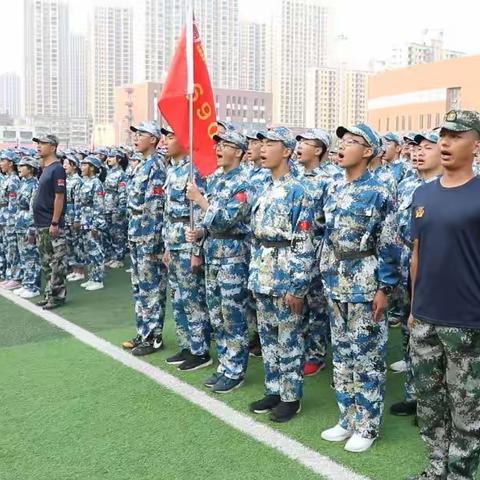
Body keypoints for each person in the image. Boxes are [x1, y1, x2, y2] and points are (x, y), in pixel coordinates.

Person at [407, 110, 480, 480]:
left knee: (467, 409)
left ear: (476, 145)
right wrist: (413, 306)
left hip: (467, 321)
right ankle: (436, 469)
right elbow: (417, 253)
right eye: (443, 136)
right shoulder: (423, 193)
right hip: (425, 318)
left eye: (457, 136)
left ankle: (460, 475)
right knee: (430, 404)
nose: (446, 143)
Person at [320, 123, 399, 452]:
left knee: (367, 356)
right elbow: (327, 235)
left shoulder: (381, 189)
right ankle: (347, 416)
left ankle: (367, 424)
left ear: (367, 152)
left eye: (351, 142)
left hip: (366, 280)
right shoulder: (334, 187)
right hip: (336, 280)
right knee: (342, 354)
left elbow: (390, 243)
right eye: (342, 141)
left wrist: (385, 288)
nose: (342, 146)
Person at [248, 126, 315, 423]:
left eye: (270, 144)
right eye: (261, 144)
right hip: (263, 271)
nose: (263, 148)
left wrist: (298, 286)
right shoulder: (265, 186)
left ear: (286, 151)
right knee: (267, 336)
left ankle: (291, 397)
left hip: (286, 271)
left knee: (288, 338)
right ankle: (274, 389)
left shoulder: (299, 191)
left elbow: (304, 242)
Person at [186, 130, 251, 393]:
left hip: (233, 257)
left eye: (226, 145)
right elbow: (212, 223)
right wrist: (200, 233)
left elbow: (226, 219)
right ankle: (225, 364)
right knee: (217, 315)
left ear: (239, 152)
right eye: (218, 145)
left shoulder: (245, 182)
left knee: (233, 315)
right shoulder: (215, 179)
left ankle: (236, 370)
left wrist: (200, 200)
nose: (219, 149)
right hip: (214, 254)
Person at [389, 131, 443, 418]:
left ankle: (431, 399)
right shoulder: (410, 185)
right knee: (412, 332)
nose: (419, 153)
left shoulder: (447, 187)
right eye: (417, 148)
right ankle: (414, 393)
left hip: (435, 271)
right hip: (407, 267)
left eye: (428, 148)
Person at [161, 125, 211, 371]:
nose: (166, 141)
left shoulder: (194, 169)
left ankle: (200, 350)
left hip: (188, 241)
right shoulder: (173, 170)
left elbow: (200, 214)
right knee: (178, 297)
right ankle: (186, 345)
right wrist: (167, 246)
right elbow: (167, 212)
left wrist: (196, 250)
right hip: (174, 239)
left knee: (192, 299)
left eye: (172, 136)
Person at [121, 122, 168, 356]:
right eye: (135, 134)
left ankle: (153, 336)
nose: (136, 138)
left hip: (148, 234)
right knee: (139, 286)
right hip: (137, 231)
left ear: (154, 139)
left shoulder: (156, 166)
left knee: (151, 287)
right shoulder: (141, 165)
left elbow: (154, 206)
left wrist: (152, 240)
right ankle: (143, 331)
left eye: (142, 134)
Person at [295, 128, 334, 377]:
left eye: (306, 143)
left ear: (318, 150)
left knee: (317, 305)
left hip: (318, 250)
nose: (299, 147)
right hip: (296, 250)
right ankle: (301, 349)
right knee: (299, 304)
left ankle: (316, 354)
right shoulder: (295, 177)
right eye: (299, 143)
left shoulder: (328, 179)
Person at [32, 134, 67, 310]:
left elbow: (59, 197)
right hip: (41, 223)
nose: (39, 146)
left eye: (43, 143)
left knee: (57, 262)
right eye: (38, 143)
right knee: (46, 261)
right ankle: (49, 294)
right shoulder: (45, 168)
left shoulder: (57, 169)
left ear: (53, 147)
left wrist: (55, 222)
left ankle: (58, 296)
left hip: (51, 222)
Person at [75, 155, 106, 291]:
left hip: (92, 221)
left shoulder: (96, 183)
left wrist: (96, 225)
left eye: (84, 165)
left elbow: (99, 206)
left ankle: (98, 279)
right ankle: (92, 277)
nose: (81, 168)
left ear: (92, 168)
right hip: (84, 220)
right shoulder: (84, 182)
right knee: (88, 250)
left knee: (96, 250)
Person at [13, 156, 41, 298]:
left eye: (23, 166)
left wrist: (31, 228)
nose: (19, 168)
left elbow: (33, 209)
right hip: (19, 221)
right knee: (23, 254)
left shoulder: (35, 185)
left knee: (31, 255)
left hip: (27, 222)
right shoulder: (23, 183)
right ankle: (26, 283)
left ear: (30, 168)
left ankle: (33, 286)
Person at [103, 148, 128, 269]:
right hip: (108, 206)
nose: (109, 159)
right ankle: (112, 256)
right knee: (110, 232)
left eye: (112, 157)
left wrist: (121, 208)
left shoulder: (121, 174)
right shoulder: (109, 172)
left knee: (118, 233)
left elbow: (122, 192)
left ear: (118, 159)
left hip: (116, 207)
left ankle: (119, 258)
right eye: (108, 157)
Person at [0, 150, 21, 290]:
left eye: (3, 160)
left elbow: (13, 205)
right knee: (7, 247)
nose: (1, 163)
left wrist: (10, 221)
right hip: (3, 215)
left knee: (12, 248)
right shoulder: (6, 179)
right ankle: (9, 275)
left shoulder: (13, 180)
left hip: (10, 218)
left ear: (11, 163)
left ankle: (16, 277)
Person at [64, 154, 85, 282]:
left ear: (74, 166)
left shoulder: (78, 181)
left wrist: (77, 218)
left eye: (67, 163)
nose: (64, 166)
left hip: (73, 214)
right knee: (69, 243)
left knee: (77, 243)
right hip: (66, 214)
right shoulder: (66, 180)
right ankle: (73, 268)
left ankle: (79, 270)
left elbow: (78, 202)